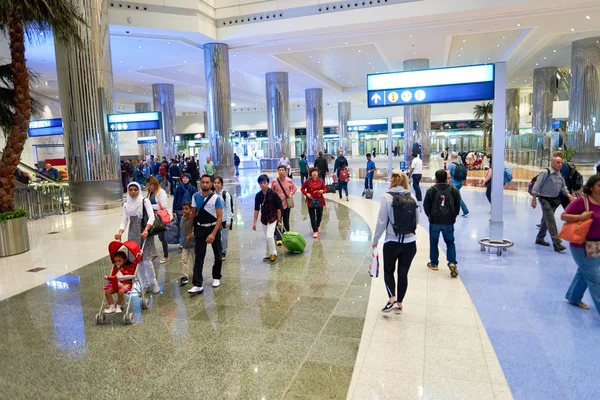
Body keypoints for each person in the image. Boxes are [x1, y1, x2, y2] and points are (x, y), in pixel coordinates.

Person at [372, 170, 418, 314]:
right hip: (410, 243)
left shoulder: (386, 197)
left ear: (392, 181)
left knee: (389, 271)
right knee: (403, 272)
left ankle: (391, 298)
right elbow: (417, 221)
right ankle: (400, 303)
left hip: (392, 241)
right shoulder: (413, 197)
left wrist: (375, 240)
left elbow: (381, 222)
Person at [562, 175, 600, 314]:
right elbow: (564, 216)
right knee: (596, 279)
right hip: (581, 245)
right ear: (591, 187)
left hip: (597, 245)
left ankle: (574, 297)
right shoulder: (582, 201)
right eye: (599, 186)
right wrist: (580, 217)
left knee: (585, 272)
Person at [114, 182, 160, 294]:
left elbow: (151, 217)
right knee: (136, 260)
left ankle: (153, 283)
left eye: (135, 189)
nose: (133, 192)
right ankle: (145, 284)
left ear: (139, 190)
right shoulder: (126, 204)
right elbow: (124, 221)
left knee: (146, 259)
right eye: (131, 190)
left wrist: (146, 230)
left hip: (144, 232)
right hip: (133, 234)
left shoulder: (145, 201)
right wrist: (120, 232)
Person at [187, 174, 224, 295]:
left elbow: (219, 218)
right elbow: (193, 215)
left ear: (211, 183)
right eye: (203, 182)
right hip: (200, 229)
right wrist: (190, 231)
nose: (205, 184)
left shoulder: (216, 198)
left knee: (218, 254)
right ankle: (197, 284)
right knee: (199, 256)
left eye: (207, 182)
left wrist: (213, 234)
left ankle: (216, 276)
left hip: (213, 227)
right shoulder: (195, 196)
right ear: (200, 183)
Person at [531, 155, 574, 252]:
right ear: (552, 163)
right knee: (550, 220)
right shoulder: (546, 172)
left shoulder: (559, 174)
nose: (560, 164)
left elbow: (563, 187)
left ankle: (539, 238)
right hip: (544, 199)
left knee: (545, 220)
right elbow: (536, 186)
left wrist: (569, 195)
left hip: (555, 200)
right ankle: (557, 243)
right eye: (557, 162)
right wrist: (534, 199)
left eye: (561, 163)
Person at [423, 169, 461, 277]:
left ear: (436, 179)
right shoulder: (453, 190)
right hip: (448, 222)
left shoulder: (431, 190)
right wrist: (453, 216)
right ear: (446, 178)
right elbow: (457, 206)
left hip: (435, 221)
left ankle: (434, 263)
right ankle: (452, 262)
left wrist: (430, 216)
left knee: (434, 242)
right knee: (450, 242)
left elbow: (426, 206)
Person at [253, 174, 282, 264]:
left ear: (268, 183)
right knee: (268, 237)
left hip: (273, 217)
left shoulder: (273, 194)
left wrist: (279, 220)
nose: (263, 185)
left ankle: (273, 254)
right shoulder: (258, 195)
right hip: (264, 219)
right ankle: (272, 253)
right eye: (261, 183)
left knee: (270, 236)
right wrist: (254, 222)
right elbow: (256, 209)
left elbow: (278, 208)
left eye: (264, 182)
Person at [146, 176, 170, 264]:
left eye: (150, 185)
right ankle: (153, 253)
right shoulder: (150, 193)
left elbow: (163, 206)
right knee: (150, 237)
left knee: (162, 237)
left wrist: (151, 206)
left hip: (159, 218)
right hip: (151, 217)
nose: (149, 187)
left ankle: (166, 255)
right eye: (148, 185)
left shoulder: (161, 192)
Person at [272, 165, 297, 246]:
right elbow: (272, 191)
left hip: (286, 203)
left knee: (286, 220)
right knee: (278, 221)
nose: (281, 171)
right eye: (280, 170)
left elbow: (294, 188)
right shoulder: (274, 181)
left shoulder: (289, 180)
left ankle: (286, 235)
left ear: (285, 171)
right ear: (278, 171)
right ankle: (278, 237)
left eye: (283, 170)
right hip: (277, 205)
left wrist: (291, 193)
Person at [301, 168, 327, 239]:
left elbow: (325, 189)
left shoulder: (321, 181)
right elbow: (302, 189)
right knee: (312, 217)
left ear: (318, 173)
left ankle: (317, 225)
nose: (314, 173)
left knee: (320, 215)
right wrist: (307, 194)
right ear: (310, 174)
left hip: (319, 201)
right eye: (313, 172)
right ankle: (315, 230)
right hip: (311, 201)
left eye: (316, 172)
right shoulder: (308, 181)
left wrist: (322, 191)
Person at [213, 176, 233, 261]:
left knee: (224, 237)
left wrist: (229, 220)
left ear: (221, 184)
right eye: (215, 183)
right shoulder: (212, 194)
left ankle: (224, 251)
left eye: (218, 183)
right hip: (215, 219)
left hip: (224, 219)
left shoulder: (225, 194)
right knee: (218, 237)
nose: (216, 185)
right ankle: (219, 250)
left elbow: (228, 208)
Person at [447, 152, 470, 217]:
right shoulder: (460, 164)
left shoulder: (450, 165)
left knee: (457, 198)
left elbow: (448, 175)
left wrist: (447, 182)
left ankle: (466, 211)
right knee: (453, 197)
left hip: (453, 184)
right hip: (459, 183)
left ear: (451, 157)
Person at [178, 202, 195, 287]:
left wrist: (192, 235)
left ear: (191, 209)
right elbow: (182, 231)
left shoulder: (193, 218)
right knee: (184, 260)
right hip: (185, 243)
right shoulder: (182, 218)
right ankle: (184, 276)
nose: (184, 211)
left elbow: (195, 230)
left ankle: (196, 274)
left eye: (186, 209)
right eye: (183, 209)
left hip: (193, 244)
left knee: (195, 260)